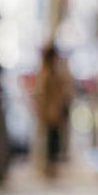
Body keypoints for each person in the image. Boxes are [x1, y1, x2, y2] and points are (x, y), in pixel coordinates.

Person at [32, 43, 75, 179]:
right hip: (50, 112)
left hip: (52, 112)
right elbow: (43, 94)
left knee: (53, 141)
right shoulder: (48, 73)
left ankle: (50, 168)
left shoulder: (51, 72)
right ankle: (48, 168)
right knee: (49, 141)